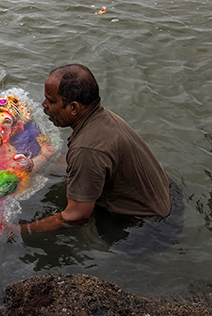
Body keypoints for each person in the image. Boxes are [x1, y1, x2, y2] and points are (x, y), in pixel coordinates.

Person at [19, 64, 172, 234]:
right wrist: (40, 162)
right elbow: (84, 168)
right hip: (166, 197)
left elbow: (76, 216)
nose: (44, 104)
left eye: (52, 101)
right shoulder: (102, 118)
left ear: (74, 108)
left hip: (146, 227)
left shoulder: (86, 148)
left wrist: (18, 230)